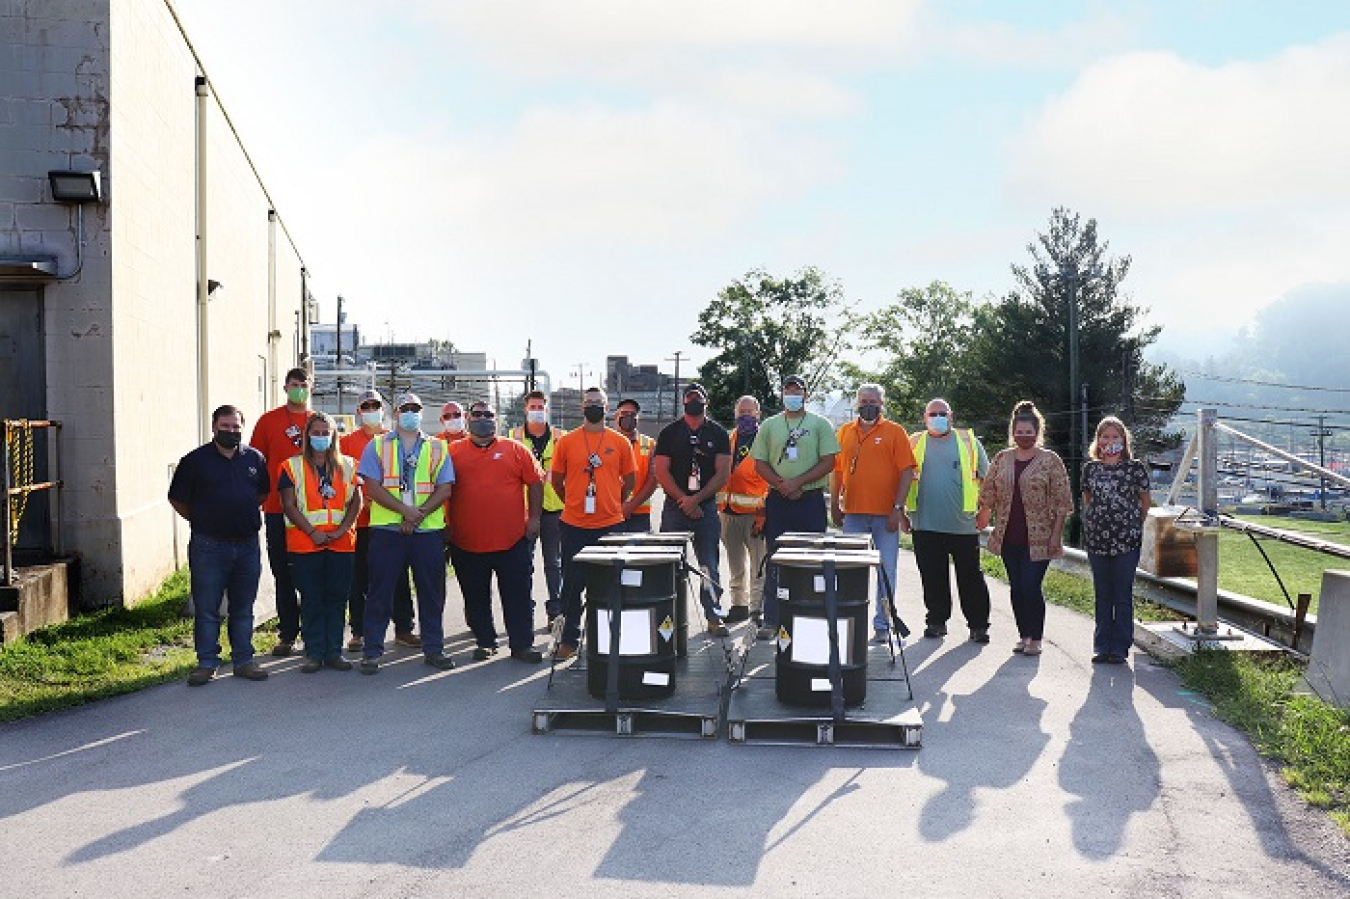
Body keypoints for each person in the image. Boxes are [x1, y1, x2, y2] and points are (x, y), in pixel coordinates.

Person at [168, 404, 270, 685]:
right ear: (214, 427)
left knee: (243, 607)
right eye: (225, 427)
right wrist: (203, 518)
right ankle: (207, 663)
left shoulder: (255, 459)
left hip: (247, 545)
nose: (231, 431)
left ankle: (244, 660)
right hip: (208, 546)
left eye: (236, 427)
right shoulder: (195, 461)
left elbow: (262, 494)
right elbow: (177, 499)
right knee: (207, 608)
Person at [357, 392, 456, 673]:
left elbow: (445, 488)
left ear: (422, 413)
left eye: (415, 408)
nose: (410, 412)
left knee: (431, 593)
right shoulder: (376, 445)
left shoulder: (438, 447)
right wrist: (405, 511)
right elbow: (372, 487)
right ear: (396, 413)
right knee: (380, 591)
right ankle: (372, 651)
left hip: (427, 531)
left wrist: (417, 515)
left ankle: (434, 649)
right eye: (405, 408)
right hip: (388, 531)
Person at [445, 401, 545, 663]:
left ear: (496, 419)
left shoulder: (516, 449)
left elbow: (535, 483)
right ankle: (485, 642)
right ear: (468, 419)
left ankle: (522, 645)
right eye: (477, 415)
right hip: (466, 541)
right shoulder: (453, 452)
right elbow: (442, 489)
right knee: (475, 596)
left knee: (518, 596)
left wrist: (534, 518)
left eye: (488, 415)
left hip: (512, 540)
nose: (483, 419)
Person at [977, 401, 1073, 657]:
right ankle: (1024, 635)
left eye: (1029, 432)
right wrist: (984, 512)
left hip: (1040, 537)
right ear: (1013, 432)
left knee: (1031, 586)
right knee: (1017, 587)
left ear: (1038, 432)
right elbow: (989, 490)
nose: (1024, 437)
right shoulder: (1002, 458)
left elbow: (1063, 501)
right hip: (1009, 535)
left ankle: (1037, 638)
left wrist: (1056, 535)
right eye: (1019, 432)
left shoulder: (1050, 460)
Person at [550, 387, 637, 660]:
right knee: (572, 585)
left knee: (611, 584)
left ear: (607, 407)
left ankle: (609, 639)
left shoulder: (620, 442)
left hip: (610, 524)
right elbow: (557, 481)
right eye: (589, 403)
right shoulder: (566, 442)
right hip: (574, 524)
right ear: (581, 408)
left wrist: (613, 501)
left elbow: (630, 481)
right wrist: (574, 501)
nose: (593, 406)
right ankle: (569, 640)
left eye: (598, 403)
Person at [751, 374, 839, 640]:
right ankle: (772, 619)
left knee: (812, 558)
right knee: (775, 558)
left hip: (810, 500)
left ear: (806, 394)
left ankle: (810, 614)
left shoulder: (820, 424)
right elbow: (759, 462)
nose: (792, 395)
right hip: (779, 500)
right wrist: (782, 484)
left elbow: (828, 461)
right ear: (782, 394)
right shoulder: (769, 425)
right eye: (788, 390)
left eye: (797, 391)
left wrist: (798, 482)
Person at [830, 383, 917, 643]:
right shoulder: (844, 432)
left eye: (874, 401)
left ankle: (882, 623)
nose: (869, 405)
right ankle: (850, 619)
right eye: (864, 400)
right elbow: (837, 472)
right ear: (857, 403)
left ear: (882, 404)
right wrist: (835, 504)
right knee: (850, 570)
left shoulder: (895, 432)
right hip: (853, 514)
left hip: (885, 516)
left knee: (886, 571)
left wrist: (897, 509)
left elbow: (906, 472)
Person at [902, 398, 992, 643]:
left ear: (951, 416)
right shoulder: (914, 442)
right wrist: (900, 513)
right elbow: (899, 480)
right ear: (925, 417)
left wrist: (986, 511)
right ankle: (936, 621)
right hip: (925, 524)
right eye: (933, 414)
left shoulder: (968, 442)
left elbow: (988, 480)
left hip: (963, 526)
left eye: (943, 414)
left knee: (971, 578)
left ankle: (979, 625)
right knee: (932, 577)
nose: (938, 418)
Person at [279, 412, 362, 672]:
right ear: (306, 436)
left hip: (341, 543)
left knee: (337, 598)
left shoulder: (349, 464)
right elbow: (288, 505)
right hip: (305, 543)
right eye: (315, 432)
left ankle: (334, 652)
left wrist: (342, 529)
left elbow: (357, 501)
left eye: (326, 433)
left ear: (334, 435)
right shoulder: (290, 466)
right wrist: (312, 532)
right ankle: (314, 652)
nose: (321, 437)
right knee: (312, 598)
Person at [339, 389, 418, 652]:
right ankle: (359, 632)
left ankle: (404, 628)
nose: (371, 409)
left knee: (397, 578)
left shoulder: (393, 440)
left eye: (375, 405)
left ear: (383, 410)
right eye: (366, 406)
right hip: (359, 522)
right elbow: (344, 479)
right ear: (358, 411)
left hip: (389, 520)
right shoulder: (346, 441)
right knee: (358, 579)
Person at [652, 383, 732, 636]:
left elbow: (723, 473)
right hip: (675, 508)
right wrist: (684, 500)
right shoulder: (669, 433)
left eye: (698, 398)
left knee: (709, 565)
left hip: (706, 509)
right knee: (669, 565)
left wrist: (696, 499)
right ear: (683, 402)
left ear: (705, 402)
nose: (693, 402)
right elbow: (661, 471)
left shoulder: (718, 434)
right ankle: (668, 617)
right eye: (689, 398)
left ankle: (713, 615)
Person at [248, 367, 310, 656]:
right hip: (275, 509)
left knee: (310, 573)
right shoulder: (268, 421)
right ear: (285, 387)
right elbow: (254, 463)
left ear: (311, 387)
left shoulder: (320, 423)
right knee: (282, 572)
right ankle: (288, 634)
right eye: (294, 384)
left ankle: (313, 632)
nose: (300, 389)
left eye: (304, 384)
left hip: (313, 512)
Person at [1082, 415, 1152, 665]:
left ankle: (1120, 647)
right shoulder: (1090, 469)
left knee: (1121, 595)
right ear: (1098, 440)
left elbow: (1145, 503)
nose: (1109, 441)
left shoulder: (1135, 469)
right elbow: (1088, 500)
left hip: (1127, 542)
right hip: (1097, 542)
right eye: (1105, 436)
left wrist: (1132, 525)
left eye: (1115, 436)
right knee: (1102, 595)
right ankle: (1101, 646)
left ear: (1123, 440)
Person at [510, 390, 566, 621]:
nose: (536, 411)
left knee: (554, 563)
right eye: (532, 407)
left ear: (547, 409)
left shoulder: (561, 437)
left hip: (555, 508)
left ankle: (556, 609)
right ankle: (526, 609)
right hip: (524, 510)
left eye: (540, 407)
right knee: (524, 564)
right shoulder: (513, 436)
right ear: (525, 410)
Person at [717, 395, 769, 625]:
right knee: (735, 564)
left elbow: (771, 480)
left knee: (758, 565)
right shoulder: (728, 440)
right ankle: (739, 605)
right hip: (728, 513)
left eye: (750, 412)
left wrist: (764, 513)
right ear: (735, 414)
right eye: (741, 412)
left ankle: (757, 609)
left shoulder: (766, 442)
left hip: (755, 514)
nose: (745, 416)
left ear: (758, 414)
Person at [615, 398, 657, 533]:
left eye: (632, 414)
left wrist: (630, 506)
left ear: (638, 418)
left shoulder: (650, 444)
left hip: (640, 514)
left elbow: (653, 480)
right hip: (611, 513)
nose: (628, 417)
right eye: (624, 414)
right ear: (616, 417)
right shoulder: (606, 442)